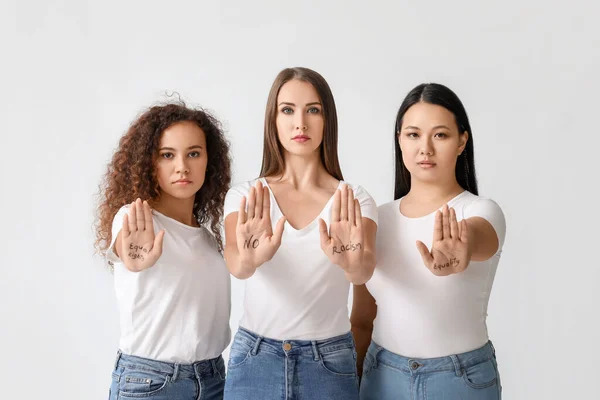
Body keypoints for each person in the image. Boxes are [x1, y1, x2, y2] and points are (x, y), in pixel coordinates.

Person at [222, 67, 378, 400]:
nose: (300, 123)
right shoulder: (246, 196)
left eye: (313, 110)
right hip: (255, 359)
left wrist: (351, 266)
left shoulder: (353, 200)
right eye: (288, 110)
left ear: (327, 120)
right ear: (273, 120)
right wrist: (249, 259)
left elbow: (365, 268)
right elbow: (236, 265)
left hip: (329, 362)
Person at [352, 83, 506, 400]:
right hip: (381, 378)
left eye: (440, 135)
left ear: (462, 140)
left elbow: (477, 236)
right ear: (399, 139)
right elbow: (362, 320)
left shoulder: (480, 211)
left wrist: (460, 249)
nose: (426, 148)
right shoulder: (375, 219)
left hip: (458, 382)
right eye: (413, 134)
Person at [95, 102, 232, 400]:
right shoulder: (137, 218)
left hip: (213, 379)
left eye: (193, 153)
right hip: (151, 382)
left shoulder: (208, 239)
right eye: (167, 155)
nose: (182, 166)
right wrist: (130, 255)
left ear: (209, 160)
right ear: (149, 163)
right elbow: (126, 246)